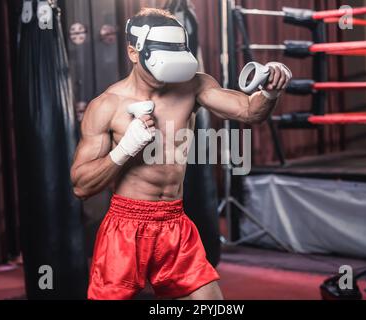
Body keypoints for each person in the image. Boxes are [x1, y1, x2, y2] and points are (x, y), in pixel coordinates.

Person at [71, 7, 292, 300]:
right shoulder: (107, 105)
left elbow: (250, 112)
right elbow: (81, 186)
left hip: (174, 222)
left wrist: (269, 91)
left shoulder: (192, 85)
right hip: (125, 226)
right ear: (134, 52)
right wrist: (123, 151)